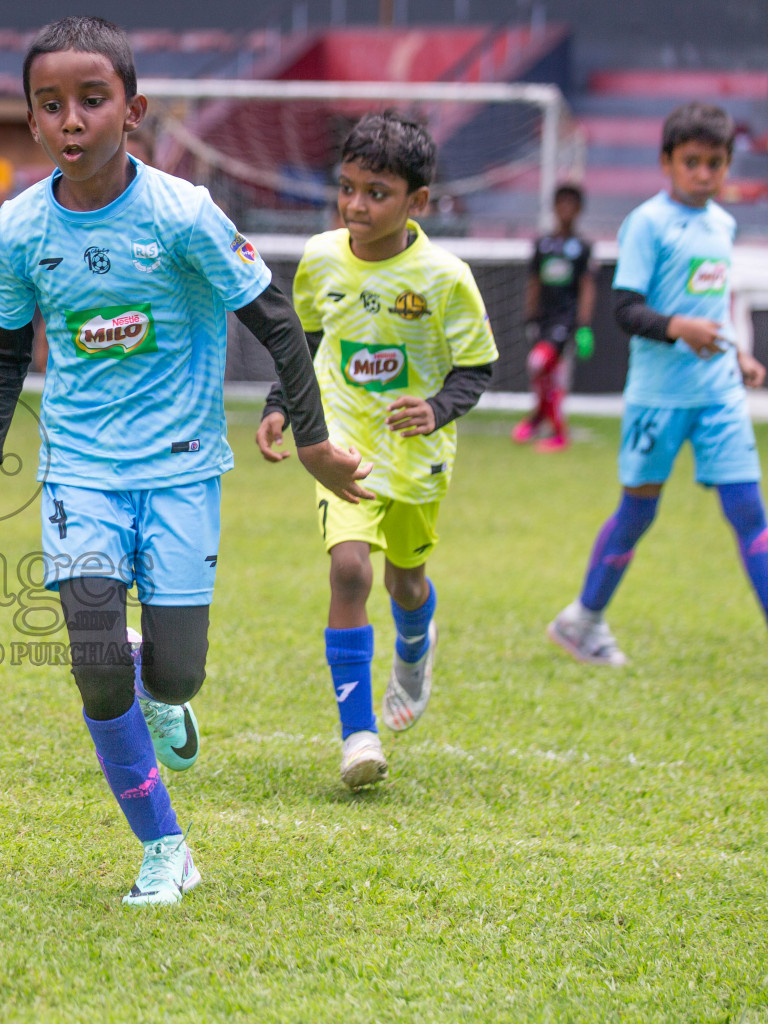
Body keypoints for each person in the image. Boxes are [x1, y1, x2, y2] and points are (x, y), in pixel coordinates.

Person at [0, 17, 370, 906]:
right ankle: (163, 845)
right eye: (51, 105)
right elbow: (0, 358)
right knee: (96, 660)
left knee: (175, 672)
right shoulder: (21, 227)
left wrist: (314, 441)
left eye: (92, 101)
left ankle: (166, 688)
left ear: (132, 110)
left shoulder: (183, 215)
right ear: (31, 122)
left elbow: (279, 328)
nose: (73, 121)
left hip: (181, 471)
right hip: (78, 474)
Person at [258, 112, 500, 789]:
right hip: (343, 442)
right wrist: (281, 406)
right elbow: (302, 344)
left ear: (417, 202)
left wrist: (437, 408)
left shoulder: (446, 277)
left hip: (416, 457)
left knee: (405, 581)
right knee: (350, 573)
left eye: (377, 193)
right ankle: (358, 736)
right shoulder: (321, 258)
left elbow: (477, 368)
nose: (356, 206)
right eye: (348, 188)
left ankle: (415, 648)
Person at [548, 103, 768, 666]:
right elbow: (624, 310)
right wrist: (679, 329)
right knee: (638, 513)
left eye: (715, 163)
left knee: (750, 513)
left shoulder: (722, 223)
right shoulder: (647, 222)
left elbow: (709, 304)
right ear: (667, 162)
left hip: (717, 394)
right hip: (659, 399)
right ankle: (583, 621)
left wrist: (735, 352)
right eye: (691, 161)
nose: (703, 173)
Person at [513, 183, 596, 452]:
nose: (566, 210)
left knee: (541, 365)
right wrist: (529, 316)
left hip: (566, 320)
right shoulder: (543, 244)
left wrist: (583, 326)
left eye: (572, 204)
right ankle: (540, 418)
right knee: (543, 373)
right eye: (562, 203)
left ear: (579, 210)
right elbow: (534, 282)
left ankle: (558, 431)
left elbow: (587, 287)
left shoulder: (582, 247)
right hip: (544, 319)